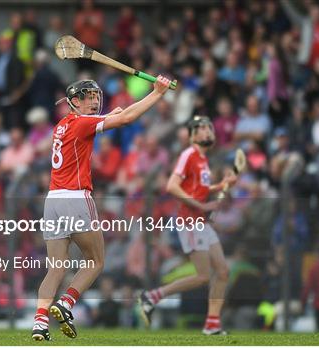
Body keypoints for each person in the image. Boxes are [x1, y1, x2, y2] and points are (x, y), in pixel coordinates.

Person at [31, 75, 171, 341]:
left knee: (56, 268)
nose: (94, 101)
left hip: (53, 201)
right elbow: (127, 119)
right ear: (74, 101)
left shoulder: (62, 124)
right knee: (95, 261)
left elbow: (102, 120)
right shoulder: (83, 122)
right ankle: (66, 303)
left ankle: (39, 322)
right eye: (87, 97)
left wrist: (109, 115)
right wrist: (157, 93)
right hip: (75, 197)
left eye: (96, 96)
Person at [138, 115, 237, 335]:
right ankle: (153, 296)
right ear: (193, 135)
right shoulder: (188, 155)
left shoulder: (202, 160)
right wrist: (200, 206)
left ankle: (212, 324)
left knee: (222, 271)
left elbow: (199, 190)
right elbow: (172, 187)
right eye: (202, 129)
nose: (208, 132)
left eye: (209, 128)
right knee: (203, 276)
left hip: (201, 221)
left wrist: (222, 184)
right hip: (190, 221)